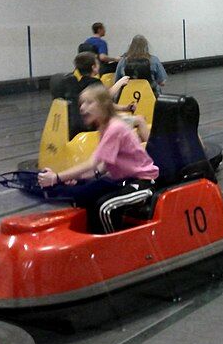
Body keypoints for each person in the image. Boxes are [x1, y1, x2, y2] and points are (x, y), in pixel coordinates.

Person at [38, 84, 159, 233]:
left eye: (89, 102)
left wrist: (57, 177)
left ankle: (110, 245)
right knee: (87, 197)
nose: (82, 107)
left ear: (104, 105)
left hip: (143, 182)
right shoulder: (105, 128)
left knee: (105, 207)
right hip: (123, 181)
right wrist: (79, 179)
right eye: (81, 103)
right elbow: (102, 167)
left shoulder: (115, 128)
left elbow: (92, 163)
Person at [59, 52, 149, 141]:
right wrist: (120, 83)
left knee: (126, 119)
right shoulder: (95, 83)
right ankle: (153, 152)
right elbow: (106, 97)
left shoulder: (80, 84)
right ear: (93, 67)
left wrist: (124, 108)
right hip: (99, 123)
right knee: (140, 120)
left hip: (92, 121)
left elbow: (103, 104)